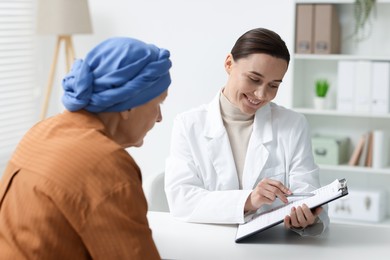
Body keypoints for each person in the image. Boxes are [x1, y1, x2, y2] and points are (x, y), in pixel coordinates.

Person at [0, 37, 172, 258]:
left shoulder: (41, 131)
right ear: (129, 104)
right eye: (158, 103)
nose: (159, 118)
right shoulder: (106, 163)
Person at [165, 28, 329, 236]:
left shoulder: (293, 125)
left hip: (272, 247)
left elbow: (309, 193)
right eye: (254, 79)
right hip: (207, 243)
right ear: (228, 64)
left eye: (273, 85)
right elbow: (182, 199)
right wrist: (249, 200)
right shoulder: (188, 125)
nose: (261, 94)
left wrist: (306, 217)